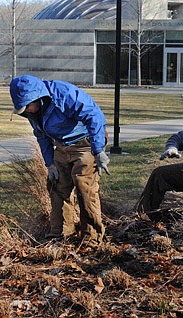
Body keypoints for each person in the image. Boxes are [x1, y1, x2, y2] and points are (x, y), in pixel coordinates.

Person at [10, 74, 110, 248]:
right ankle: (60, 235)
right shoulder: (33, 112)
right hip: (62, 146)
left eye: (28, 107)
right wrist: (49, 164)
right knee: (57, 186)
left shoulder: (63, 94)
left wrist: (98, 150)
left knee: (84, 185)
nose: (27, 111)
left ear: (37, 98)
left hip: (86, 143)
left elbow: (94, 116)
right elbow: (41, 136)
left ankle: (92, 239)